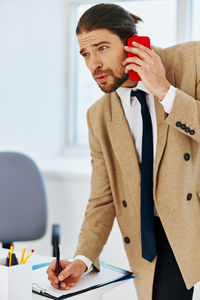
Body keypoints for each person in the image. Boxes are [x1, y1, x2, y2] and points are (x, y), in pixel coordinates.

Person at [47, 3, 200, 300]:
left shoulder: (192, 60)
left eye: (102, 48)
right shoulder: (99, 116)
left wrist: (165, 92)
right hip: (150, 236)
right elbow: (103, 198)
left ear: (132, 43)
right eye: (86, 54)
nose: (94, 64)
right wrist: (82, 259)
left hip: (191, 219)